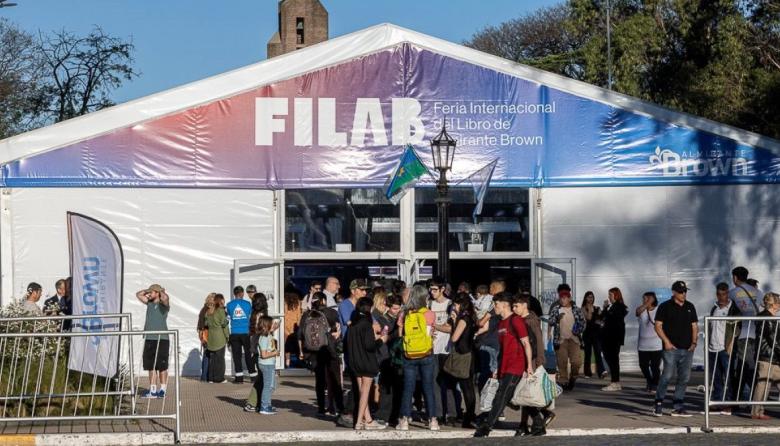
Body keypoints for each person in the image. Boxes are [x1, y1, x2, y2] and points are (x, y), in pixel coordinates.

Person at [474, 292, 534, 438]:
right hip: (504, 365)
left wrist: (529, 366)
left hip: (516, 366)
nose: (494, 307)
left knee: (501, 396)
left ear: (504, 305)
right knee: (511, 397)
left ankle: (487, 427)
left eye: (496, 304)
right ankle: (539, 422)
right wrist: (497, 368)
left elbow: (526, 343)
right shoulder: (500, 323)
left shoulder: (516, 321)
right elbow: (502, 348)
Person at [653, 281, 698, 417]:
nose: (683, 294)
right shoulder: (665, 307)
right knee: (667, 375)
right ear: (674, 292)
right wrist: (666, 341)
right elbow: (658, 325)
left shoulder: (690, 306)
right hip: (671, 348)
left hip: (687, 348)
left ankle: (678, 406)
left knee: (684, 378)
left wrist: (694, 342)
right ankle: (658, 402)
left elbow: (694, 326)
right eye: (680, 291)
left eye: (684, 291)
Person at [397, 285, 438, 431]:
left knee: (408, 388)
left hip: (409, 355)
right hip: (426, 353)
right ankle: (433, 419)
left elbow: (400, 335)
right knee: (428, 386)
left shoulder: (404, 313)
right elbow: (431, 333)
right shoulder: (429, 314)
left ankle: (404, 420)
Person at [299, 291, 344, 416]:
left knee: (320, 381)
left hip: (314, 352)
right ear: (324, 301)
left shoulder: (307, 315)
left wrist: (302, 351)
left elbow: (300, 334)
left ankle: (320, 407)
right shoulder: (331, 313)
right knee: (335, 380)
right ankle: (339, 406)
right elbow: (340, 328)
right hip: (330, 350)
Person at [347, 296, 388, 430]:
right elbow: (370, 346)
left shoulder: (352, 324)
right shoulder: (366, 324)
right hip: (366, 362)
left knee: (361, 392)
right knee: (365, 393)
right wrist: (381, 339)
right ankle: (359, 422)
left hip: (355, 362)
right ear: (369, 309)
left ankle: (368, 420)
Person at [513, 293, 551, 436]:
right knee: (524, 394)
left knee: (523, 393)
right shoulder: (521, 319)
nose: (514, 308)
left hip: (532, 361)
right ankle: (525, 424)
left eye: (516, 306)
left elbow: (538, 342)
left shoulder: (531, 321)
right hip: (525, 361)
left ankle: (538, 421)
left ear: (524, 306)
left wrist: (539, 361)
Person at [729, 266, 762, 403]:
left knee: (744, 369)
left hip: (743, 335)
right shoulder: (758, 292)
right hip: (756, 334)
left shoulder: (732, 293)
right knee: (749, 367)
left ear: (735, 278)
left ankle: (753, 399)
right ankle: (742, 399)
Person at [430, 278, 460, 424]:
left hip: (446, 347)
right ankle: (438, 413)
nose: (432, 292)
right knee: (434, 381)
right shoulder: (429, 304)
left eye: (435, 289)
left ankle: (452, 412)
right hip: (432, 347)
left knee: (448, 382)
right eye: (431, 289)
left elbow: (451, 328)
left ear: (442, 289)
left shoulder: (450, 305)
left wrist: (435, 326)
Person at [708, 282, 740, 414]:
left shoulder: (733, 309)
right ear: (717, 294)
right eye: (719, 294)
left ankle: (730, 403)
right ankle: (718, 401)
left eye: (724, 293)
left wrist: (731, 344)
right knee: (716, 378)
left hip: (725, 348)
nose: (722, 296)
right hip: (712, 348)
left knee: (729, 378)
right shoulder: (714, 308)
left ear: (728, 293)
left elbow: (737, 328)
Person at [447, 292, 477, 428]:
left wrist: (453, 322)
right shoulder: (470, 317)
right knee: (469, 387)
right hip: (469, 354)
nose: (454, 307)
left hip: (464, 355)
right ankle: (469, 417)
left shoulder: (463, 319)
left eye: (455, 304)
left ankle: (468, 418)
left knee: (467, 388)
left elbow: (454, 338)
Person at [547, 284, 585, 391]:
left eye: (565, 298)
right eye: (561, 298)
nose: (563, 300)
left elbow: (582, 322)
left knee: (576, 362)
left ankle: (573, 377)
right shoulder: (556, 309)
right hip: (561, 340)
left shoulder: (576, 309)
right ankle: (564, 381)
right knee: (562, 362)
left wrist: (578, 329)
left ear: (569, 298)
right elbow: (550, 321)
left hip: (574, 339)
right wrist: (556, 319)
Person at [136, 284, 170, 398]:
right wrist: (149, 290)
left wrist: (160, 291)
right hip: (149, 338)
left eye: (152, 292)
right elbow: (138, 294)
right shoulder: (149, 303)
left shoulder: (163, 306)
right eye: (149, 292)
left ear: (157, 293)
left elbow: (165, 299)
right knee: (151, 366)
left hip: (161, 338)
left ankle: (163, 390)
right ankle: (152, 390)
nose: (149, 294)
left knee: (162, 366)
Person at [751, 292, 780, 420]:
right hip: (768, 355)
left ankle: (758, 411)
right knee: (763, 384)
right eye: (778, 302)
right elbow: (771, 338)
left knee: (764, 384)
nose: (779, 305)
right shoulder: (767, 317)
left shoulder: (769, 316)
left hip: (772, 356)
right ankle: (756, 411)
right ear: (773, 304)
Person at [601, 287, 628, 391]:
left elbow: (613, 319)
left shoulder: (619, 307)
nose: (609, 297)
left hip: (614, 338)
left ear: (616, 295)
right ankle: (615, 381)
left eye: (611, 295)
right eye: (609, 295)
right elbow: (603, 317)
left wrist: (606, 310)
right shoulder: (612, 307)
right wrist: (605, 308)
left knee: (613, 360)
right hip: (609, 337)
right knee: (611, 359)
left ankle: (615, 382)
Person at [226, 285, 255, 383]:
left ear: (234, 294)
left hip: (234, 333)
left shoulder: (229, 305)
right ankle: (253, 377)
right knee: (248, 354)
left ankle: (239, 378)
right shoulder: (248, 304)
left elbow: (229, 316)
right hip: (245, 332)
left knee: (237, 356)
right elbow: (250, 315)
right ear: (242, 293)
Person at [636, 292, 663, 393]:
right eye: (643, 299)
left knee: (655, 367)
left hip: (656, 344)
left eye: (645, 298)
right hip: (643, 345)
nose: (643, 300)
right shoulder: (642, 309)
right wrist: (647, 304)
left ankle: (655, 384)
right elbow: (637, 312)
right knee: (643, 365)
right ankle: (649, 380)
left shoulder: (658, 310)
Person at [256, 316, 280, 415]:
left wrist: (275, 327)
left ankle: (267, 404)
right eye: (271, 324)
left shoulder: (268, 335)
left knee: (272, 386)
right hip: (266, 365)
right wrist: (275, 353)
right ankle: (264, 407)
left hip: (269, 364)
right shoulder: (264, 338)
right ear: (266, 326)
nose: (272, 327)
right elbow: (264, 355)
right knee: (268, 386)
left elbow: (271, 330)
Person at [581, 291, 606, 379]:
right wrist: (590, 309)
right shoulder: (583, 308)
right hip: (587, 333)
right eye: (588, 297)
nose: (590, 299)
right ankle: (587, 373)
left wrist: (600, 321)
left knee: (598, 352)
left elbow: (601, 319)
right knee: (588, 353)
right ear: (585, 298)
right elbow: (588, 318)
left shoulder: (597, 308)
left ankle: (601, 371)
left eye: (591, 297)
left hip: (596, 333)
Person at [205, 293, 229, 384]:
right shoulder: (220, 311)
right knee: (220, 359)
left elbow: (206, 323)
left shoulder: (208, 311)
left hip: (211, 337)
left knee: (212, 359)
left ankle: (210, 378)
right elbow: (224, 325)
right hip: (219, 337)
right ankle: (219, 378)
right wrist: (227, 336)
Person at [197, 293, 216, 382]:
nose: (212, 300)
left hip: (209, 334)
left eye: (214, 299)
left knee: (208, 356)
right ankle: (206, 377)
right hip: (207, 334)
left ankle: (207, 377)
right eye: (211, 298)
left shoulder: (206, 309)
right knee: (208, 356)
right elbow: (201, 324)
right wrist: (201, 335)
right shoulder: (205, 309)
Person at [284, 291, 303, 367]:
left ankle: (287, 361)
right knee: (297, 345)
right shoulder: (298, 302)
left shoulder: (284, 302)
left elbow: (284, 315)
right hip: (295, 326)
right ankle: (300, 360)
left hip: (285, 326)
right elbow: (299, 316)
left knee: (286, 346)